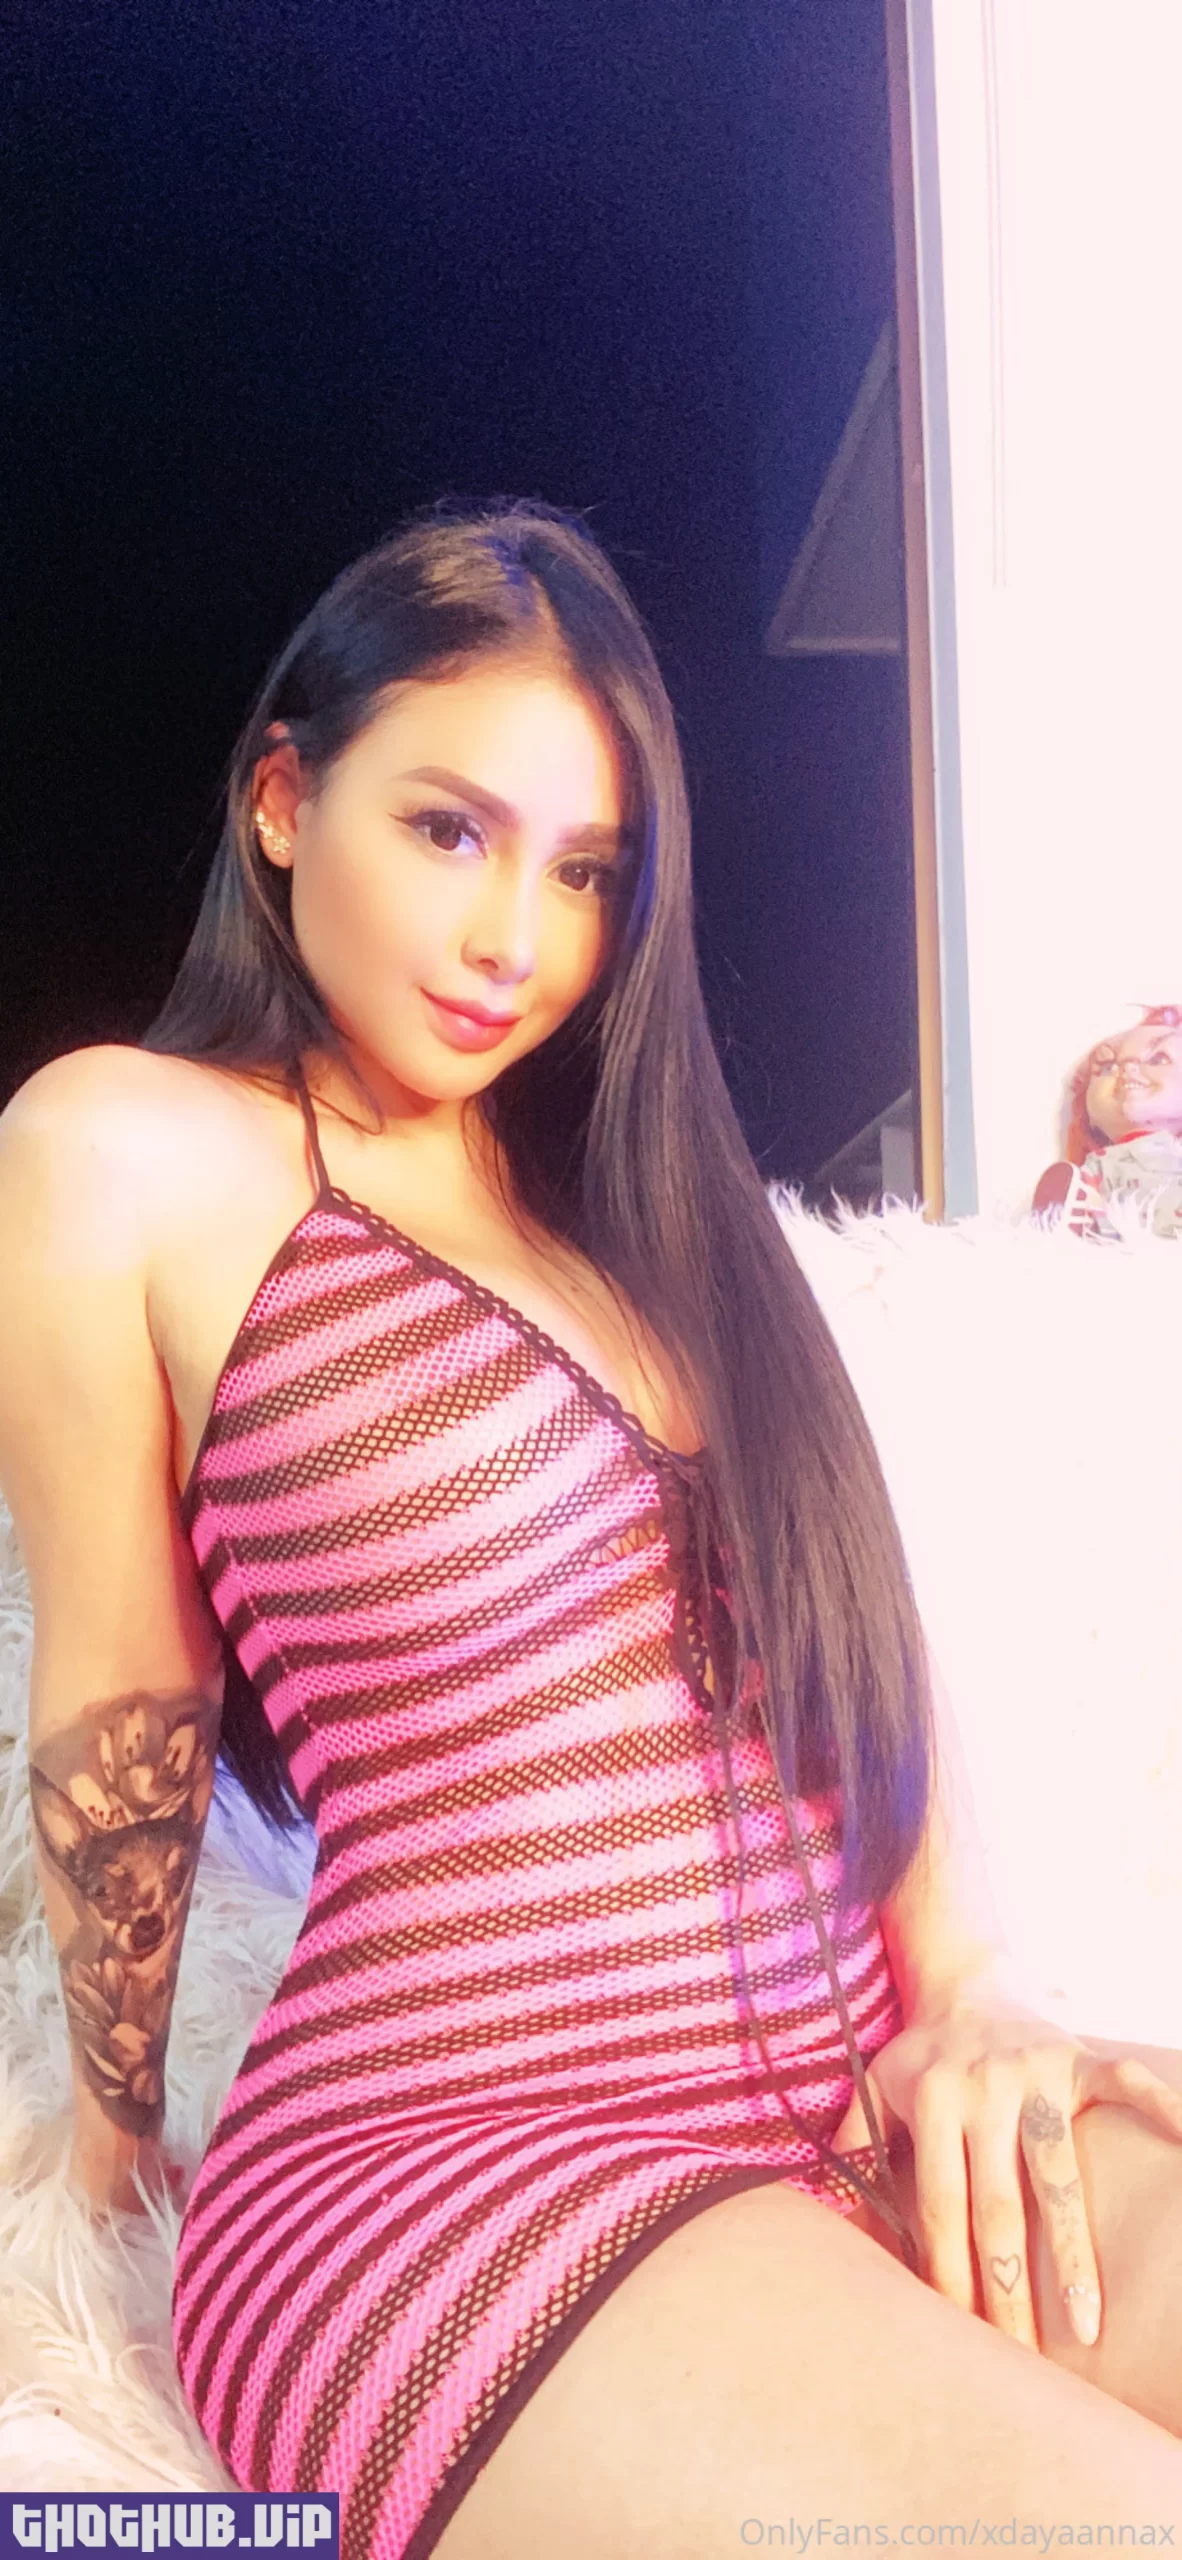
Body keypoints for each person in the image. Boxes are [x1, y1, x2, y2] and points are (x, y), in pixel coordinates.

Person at [1, 499, 1181, 2559]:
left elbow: (856, 1630)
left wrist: (975, 1983)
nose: (510, 938)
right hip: (463, 2164)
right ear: (281, 801)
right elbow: (127, 1694)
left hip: (853, 2091)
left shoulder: (641, 1229)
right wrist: (108, 2157)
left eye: (582, 870)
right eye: (447, 829)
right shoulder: (130, 1149)